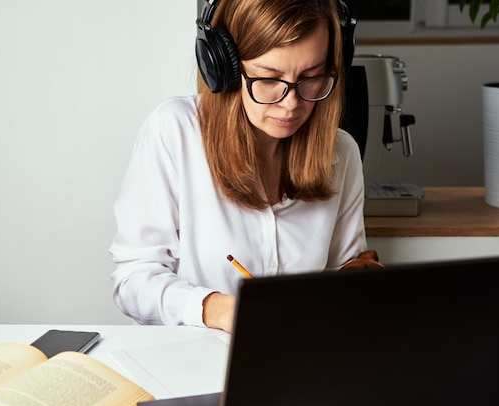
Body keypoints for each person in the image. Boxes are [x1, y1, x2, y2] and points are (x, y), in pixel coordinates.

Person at [109, 0, 372, 333]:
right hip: (195, 366)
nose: (291, 103)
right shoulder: (174, 131)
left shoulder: (342, 153)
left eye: (311, 77)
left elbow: (348, 272)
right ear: (225, 69)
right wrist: (218, 309)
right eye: (268, 78)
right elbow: (133, 280)